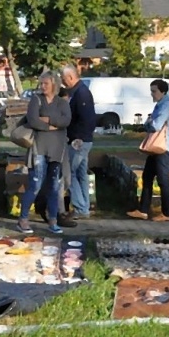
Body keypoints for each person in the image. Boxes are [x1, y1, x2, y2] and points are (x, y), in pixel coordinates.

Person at [17, 71, 71, 234]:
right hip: (39, 147)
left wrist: (48, 119)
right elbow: (33, 120)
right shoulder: (36, 100)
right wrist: (50, 126)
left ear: (54, 84)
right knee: (35, 183)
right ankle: (23, 219)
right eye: (41, 83)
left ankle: (53, 221)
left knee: (54, 186)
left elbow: (66, 121)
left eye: (45, 83)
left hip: (56, 149)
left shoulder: (62, 103)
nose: (42, 86)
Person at [129, 79, 169, 222]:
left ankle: (167, 213)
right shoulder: (161, 104)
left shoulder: (166, 105)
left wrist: (148, 122)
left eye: (154, 91)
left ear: (163, 91)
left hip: (163, 147)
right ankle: (143, 210)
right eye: (151, 91)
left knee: (163, 180)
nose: (152, 94)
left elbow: (155, 125)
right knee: (147, 177)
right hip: (157, 147)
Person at [59, 64, 96, 226]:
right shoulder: (78, 92)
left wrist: (79, 137)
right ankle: (84, 207)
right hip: (82, 139)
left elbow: (88, 119)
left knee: (70, 173)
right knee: (81, 174)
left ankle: (80, 208)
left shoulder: (81, 94)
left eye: (63, 79)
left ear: (71, 77)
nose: (62, 82)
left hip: (78, 141)